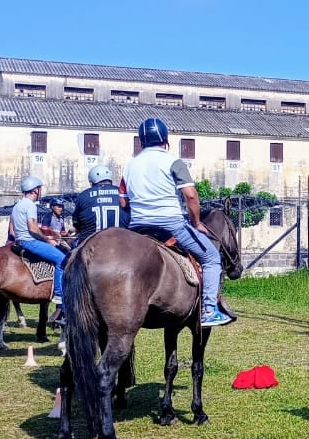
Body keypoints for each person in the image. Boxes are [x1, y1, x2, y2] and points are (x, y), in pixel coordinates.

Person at [122, 116, 232, 328]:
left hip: (137, 227)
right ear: (165, 139)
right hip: (170, 224)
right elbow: (190, 196)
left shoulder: (130, 165)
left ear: (141, 141)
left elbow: (123, 202)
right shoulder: (173, 161)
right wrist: (197, 222)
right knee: (210, 256)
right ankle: (209, 310)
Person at [9, 175, 67, 307]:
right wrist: (47, 240)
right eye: (40, 189)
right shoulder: (30, 205)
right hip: (30, 241)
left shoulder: (17, 205)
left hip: (19, 241)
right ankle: (58, 294)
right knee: (62, 260)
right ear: (35, 190)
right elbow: (33, 229)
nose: (40, 191)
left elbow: (14, 230)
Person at [73, 165, 128, 242]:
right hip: (121, 241)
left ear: (91, 182)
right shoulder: (123, 194)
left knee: (71, 251)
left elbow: (76, 223)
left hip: (90, 242)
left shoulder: (83, 196)